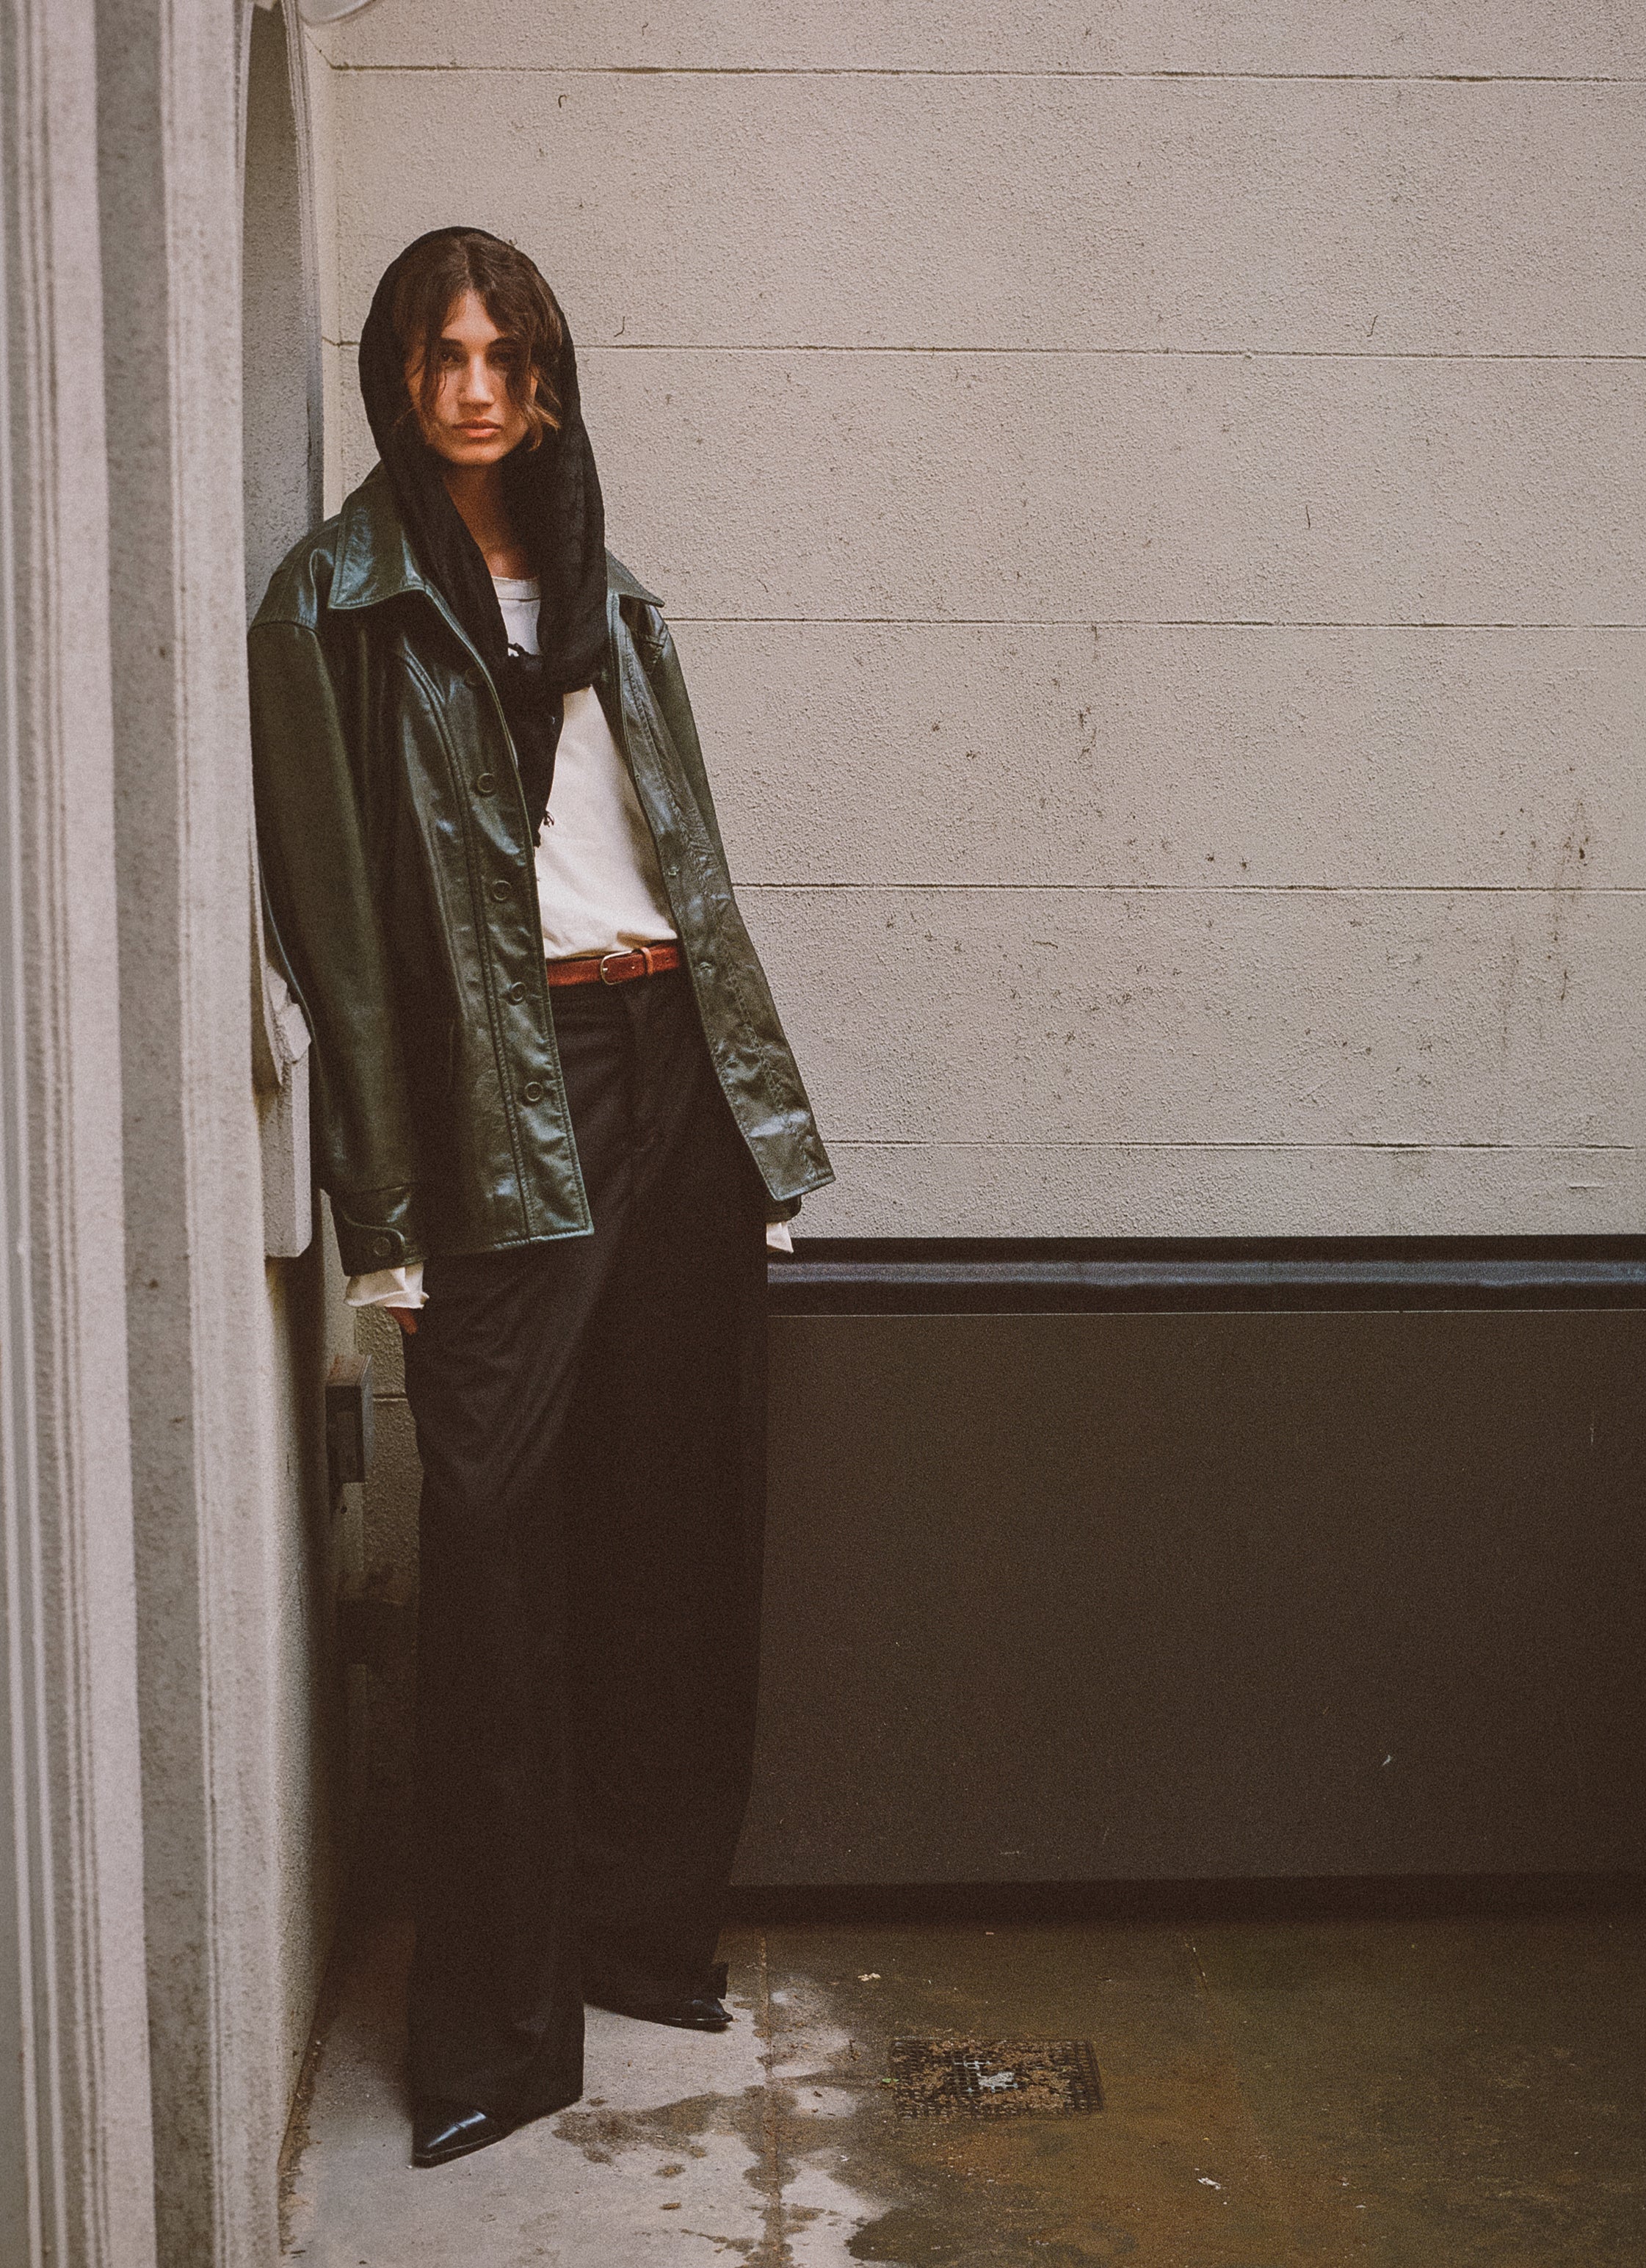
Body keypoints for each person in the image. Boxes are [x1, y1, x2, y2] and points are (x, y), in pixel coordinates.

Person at [248, 228, 832, 2170]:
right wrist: (385, 1213)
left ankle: (644, 1924)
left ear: (552, 379)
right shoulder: (333, 604)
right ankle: (496, 2026)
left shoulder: (611, 590)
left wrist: (748, 1109)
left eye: (507, 353)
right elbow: (341, 936)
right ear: (397, 382)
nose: (478, 385)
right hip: (514, 1094)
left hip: (666, 1059)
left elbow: (695, 869)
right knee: (494, 1540)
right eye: (443, 354)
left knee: (676, 1495)